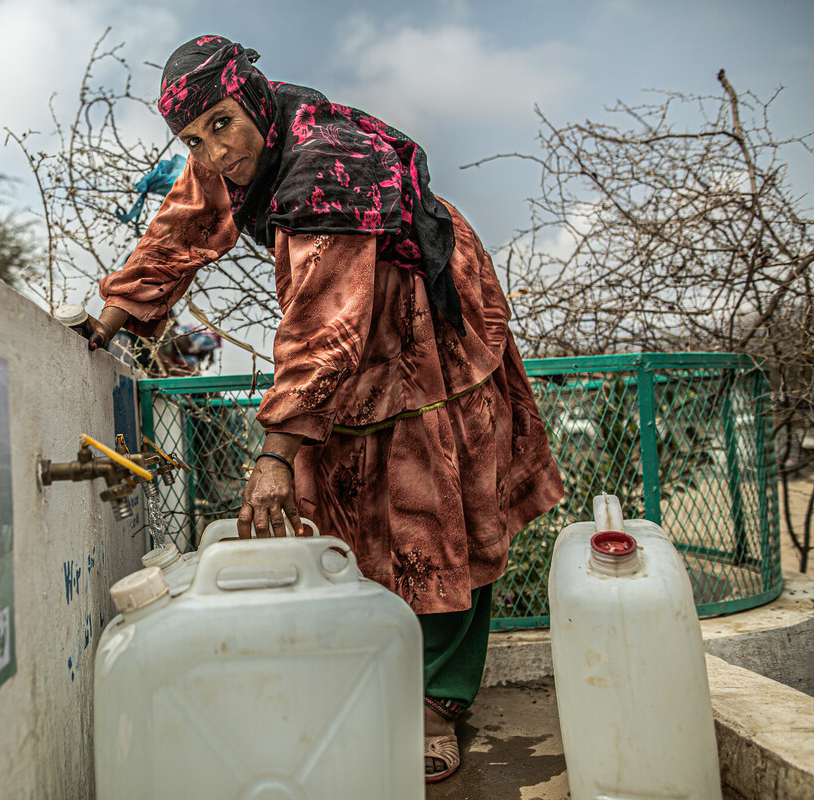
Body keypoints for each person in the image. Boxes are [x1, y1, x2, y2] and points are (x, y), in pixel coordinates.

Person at [88, 35, 564, 784]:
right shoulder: (232, 152)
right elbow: (180, 228)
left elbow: (324, 324)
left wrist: (275, 453)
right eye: (192, 138)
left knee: (436, 507)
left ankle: (436, 700)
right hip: (349, 332)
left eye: (220, 125)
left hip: (427, 321)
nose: (212, 152)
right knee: (340, 502)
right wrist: (106, 323)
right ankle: (368, 667)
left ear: (250, 99)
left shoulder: (324, 163)